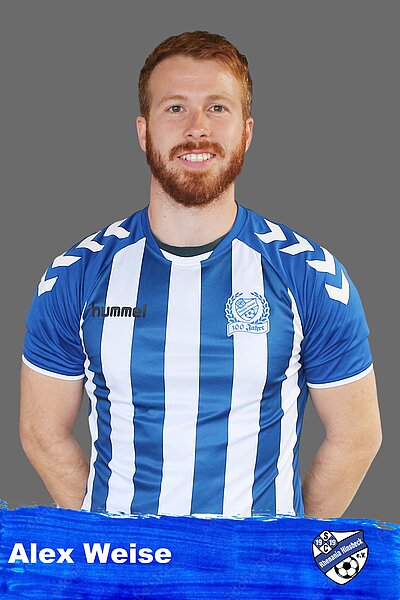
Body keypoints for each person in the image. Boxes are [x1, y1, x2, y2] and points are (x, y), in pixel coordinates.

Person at [20, 31, 382, 519]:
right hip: (127, 565)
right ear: (143, 132)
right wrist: (110, 537)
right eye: (175, 108)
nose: (197, 128)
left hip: (256, 567)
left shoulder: (310, 276)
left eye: (217, 108)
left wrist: (284, 547)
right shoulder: (75, 277)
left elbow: (357, 437)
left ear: (246, 132)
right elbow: (41, 433)